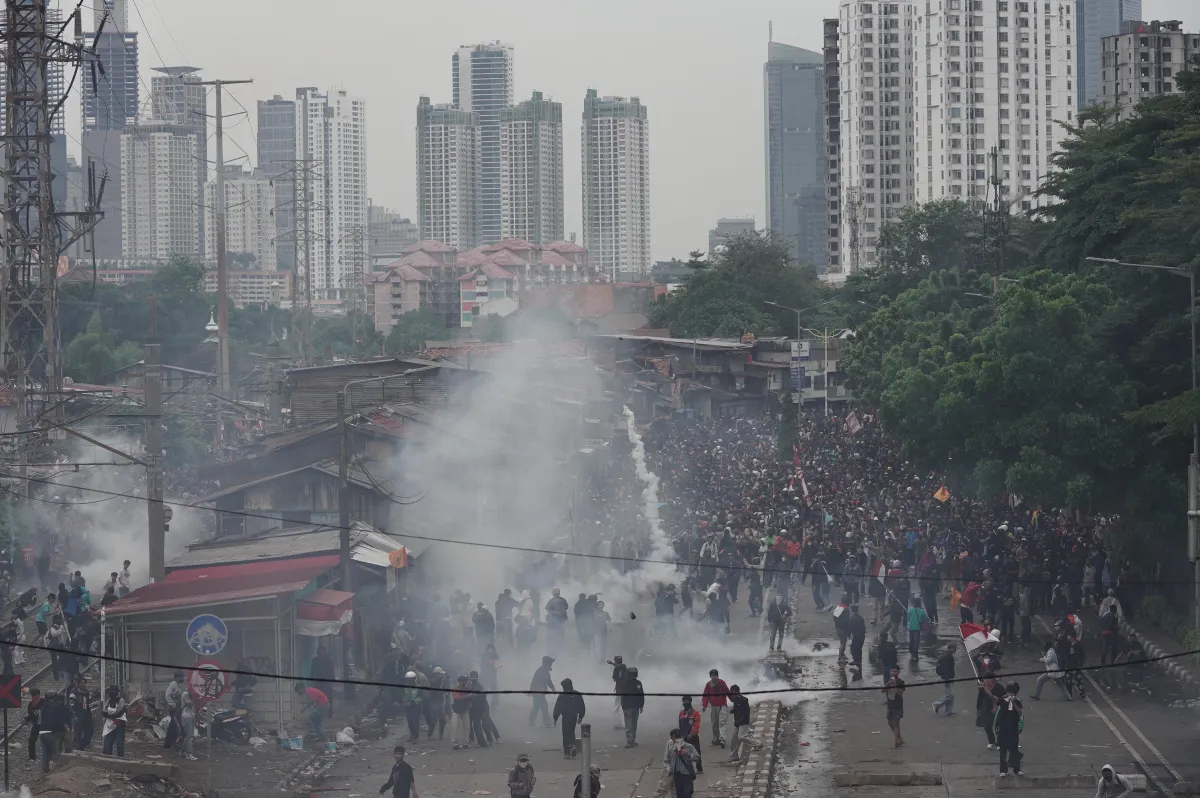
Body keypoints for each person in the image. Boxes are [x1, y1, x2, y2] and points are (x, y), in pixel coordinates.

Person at [994, 681, 1024, 776]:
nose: (1010, 695)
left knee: (1014, 749)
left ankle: (1017, 769)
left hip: (1013, 728)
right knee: (1003, 751)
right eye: (1009, 693)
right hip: (1003, 728)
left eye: (1012, 693)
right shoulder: (1003, 700)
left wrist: (1014, 702)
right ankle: (1003, 770)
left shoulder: (1018, 701)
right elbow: (997, 704)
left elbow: (1020, 713)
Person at [553, 678, 586, 758]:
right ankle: (573, 745)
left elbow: (558, 707)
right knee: (571, 731)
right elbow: (582, 706)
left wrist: (555, 718)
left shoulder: (562, 695)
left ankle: (567, 753)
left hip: (566, 716)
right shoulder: (577, 694)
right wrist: (581, 716)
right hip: (574, 716)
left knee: (565, 733)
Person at [39, 693, 70, 774]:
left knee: (45, 752)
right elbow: (58, 720)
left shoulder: (43, 707)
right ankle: (55, 772)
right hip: (51, 733)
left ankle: (45, 770)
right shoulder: (55, 707)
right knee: (55, 753)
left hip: (42, 732)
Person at [665, 728, 700, 798]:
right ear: (674, 738)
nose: (678, 740)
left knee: (687, 794)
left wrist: (689, 754)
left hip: (687, 774)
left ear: (683, 737)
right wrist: (668, 768)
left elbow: (697, 758)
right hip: (677, 775)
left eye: (680, 737)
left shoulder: (689, 747)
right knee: (679, 794)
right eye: (676, 737)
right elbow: (666, 761)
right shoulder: (671, 749)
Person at [701, 669, 729, 747]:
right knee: (714, 724)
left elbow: (727, 691)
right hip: (714, 707)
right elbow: (705, 696)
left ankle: (722, 739)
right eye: (712, 676)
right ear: (710, 676)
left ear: (717, 676)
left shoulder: (722, 683)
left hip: (722, 705)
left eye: (715, 676)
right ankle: (716, 739)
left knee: (722, 722)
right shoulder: (708, 685)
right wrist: (704, 705)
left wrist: (734, 699)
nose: (714, 677)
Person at [728, 685, 757, 762]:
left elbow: (745, 712)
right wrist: (733, 711)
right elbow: (736, 708)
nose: (732, 695)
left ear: (738, 692)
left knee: (741, 737)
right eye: (731, 693)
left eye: (734, 693)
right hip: (737, 723)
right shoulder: (735, 700)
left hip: (743, 722)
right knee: (734, 738)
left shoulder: (743, 700)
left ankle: (758, 743)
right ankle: (734, 756)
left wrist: (740, 720)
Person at [977, 674, 1005, 749]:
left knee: (998, 727)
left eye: (987, 679)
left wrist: (997, 707)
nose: (986, 681)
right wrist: (978, 709)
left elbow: (1003, 699)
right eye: (985, 679)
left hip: (999, 709)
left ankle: (1000, 743)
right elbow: (980, 699)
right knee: (987, 726)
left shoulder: (999, 687)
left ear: (993, 679)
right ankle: (991, 741)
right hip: (987, 709)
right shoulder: (983, 688)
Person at [677, 697, 703, 774]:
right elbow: (680, 725)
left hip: (693, 736)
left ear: (690, 702)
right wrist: (681, 735)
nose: (685, 703)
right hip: (684, 736)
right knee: (684, 753)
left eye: (687, 702)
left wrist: (691, 734)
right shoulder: (681, 713)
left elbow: (696, 725)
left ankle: (699, 768)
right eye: (684, 702)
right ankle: (688, 769)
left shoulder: (695, 713)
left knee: (696, 753)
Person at [621, 666, 645, 748]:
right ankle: (630, 741)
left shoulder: (626, 683)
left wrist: (623, 706)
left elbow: (622, 697)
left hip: (629, 707)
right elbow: (641, 695)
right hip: (633, 707)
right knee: (632, 725)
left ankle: (631, 741)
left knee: (630, 725)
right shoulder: (638, 683)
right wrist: (641, 706)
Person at [529, 656, 555, 727]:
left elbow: (549, 681)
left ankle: (531, 722)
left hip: (538, 692)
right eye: (550, 663)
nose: (551, 664)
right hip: (538, 692)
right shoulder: (542, 671)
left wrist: (552, 688)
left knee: (538, 707)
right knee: (543, 707)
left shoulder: (544, 670)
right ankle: (546, 723)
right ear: (547, 663)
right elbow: (537, 682)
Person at [310, 644, 336, 717]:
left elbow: (332, 670)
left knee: (329, 698)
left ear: (325, 652)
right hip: (318, 682)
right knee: (318, 698)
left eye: (323, 651)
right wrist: (312, 680)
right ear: (318, 652)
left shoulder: (328, 660)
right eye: (320, 651)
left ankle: (330, 713)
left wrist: (333, 680)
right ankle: (319, 713)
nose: (321, 652)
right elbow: (312, 670)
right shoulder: (314, 660)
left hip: (327, 681)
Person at [101, 685, 127, 757]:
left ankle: (121, 759)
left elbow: (120, 713)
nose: (111, 694)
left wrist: (109, 714)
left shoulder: (121, 700)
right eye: (110, 693)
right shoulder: (108, 701)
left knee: (119, 744)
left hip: (119, 725)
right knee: (107, 744)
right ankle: (107, 759)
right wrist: (112, 713)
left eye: (113, 692)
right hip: (110, 726)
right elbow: (103, 712)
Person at [884, 665, 905, 749]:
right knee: (890, 723)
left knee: (896, 724)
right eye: (892, 671)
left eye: (895, 671)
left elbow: (900, 693)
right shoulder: (889, 681)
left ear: (898, 672)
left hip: (897, 706)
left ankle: (895, 744)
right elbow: (882, 690)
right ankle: (900, 739)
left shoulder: (901, 682)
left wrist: (894, 686)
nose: (893, 673)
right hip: (890, 706)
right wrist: (888, 685)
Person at [933, 643, 957, 715]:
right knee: (949, 695)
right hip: (948, 678)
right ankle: (936, 704)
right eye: (954, 648)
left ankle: (949, 711)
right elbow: (946, 669)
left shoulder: (948, 655)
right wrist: (947, 680)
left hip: (950, 677)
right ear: (951, 648)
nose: (955, 650)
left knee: (950, 696)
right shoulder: (947, 657)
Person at [163, 670, 184, 749]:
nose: (183, 678)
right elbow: (167, 695)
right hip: (174, 708)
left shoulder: (178, 685)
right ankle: (174, 743)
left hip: (177, 708)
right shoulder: (173, 684)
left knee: (173, 725)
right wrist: (173, 704)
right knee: (176, 725)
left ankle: (168, 743)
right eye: (181, 677)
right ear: (177, 677)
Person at [451, 676, 471, 750]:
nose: (462, 683)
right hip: (456, 710)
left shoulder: (467, 689)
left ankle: (466, 742)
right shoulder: (455, 689)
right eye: (462, 681)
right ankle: (455, 742)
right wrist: (468, 696)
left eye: (464, 682)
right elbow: (457, 697)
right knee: (455, 727)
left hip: (465, 709)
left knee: (467, 727)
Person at [609, 655, 629, 730]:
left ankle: (618, 725)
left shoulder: (616, 668)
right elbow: (619, 666)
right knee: (624, 707)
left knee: (616, 708)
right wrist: (611, 663)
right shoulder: (624, 666)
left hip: (619, 690)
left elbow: (614, 678)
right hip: (626, 690)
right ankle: (625, 724)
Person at [178, 693, 197, 761]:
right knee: (189, 737)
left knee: (187, 737)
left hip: (187, 717)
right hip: (187, 717)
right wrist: (195, 697)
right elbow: (190, 705)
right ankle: (189, 754)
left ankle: (182, 752)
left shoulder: (187, 694)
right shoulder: (186, 694)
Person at [26, 687, 43, 761]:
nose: (33, 697)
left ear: (38, 694)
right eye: (32, 695)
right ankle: (32, 756)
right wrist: (26, 719)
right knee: (31, 740)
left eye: (34, 695)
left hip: (45, 725)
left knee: (47, 741)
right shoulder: (30, 705)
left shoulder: (44, 702)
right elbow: (31, 716)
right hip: (36, 725)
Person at [849, 604, 867, 670]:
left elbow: (850, 627)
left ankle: (856, 660)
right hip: (862, 635)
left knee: (853, 648)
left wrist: (849, 634)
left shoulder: (851, 618)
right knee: (859, 648)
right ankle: (859, 660)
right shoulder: (860, 617)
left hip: (857, 635)